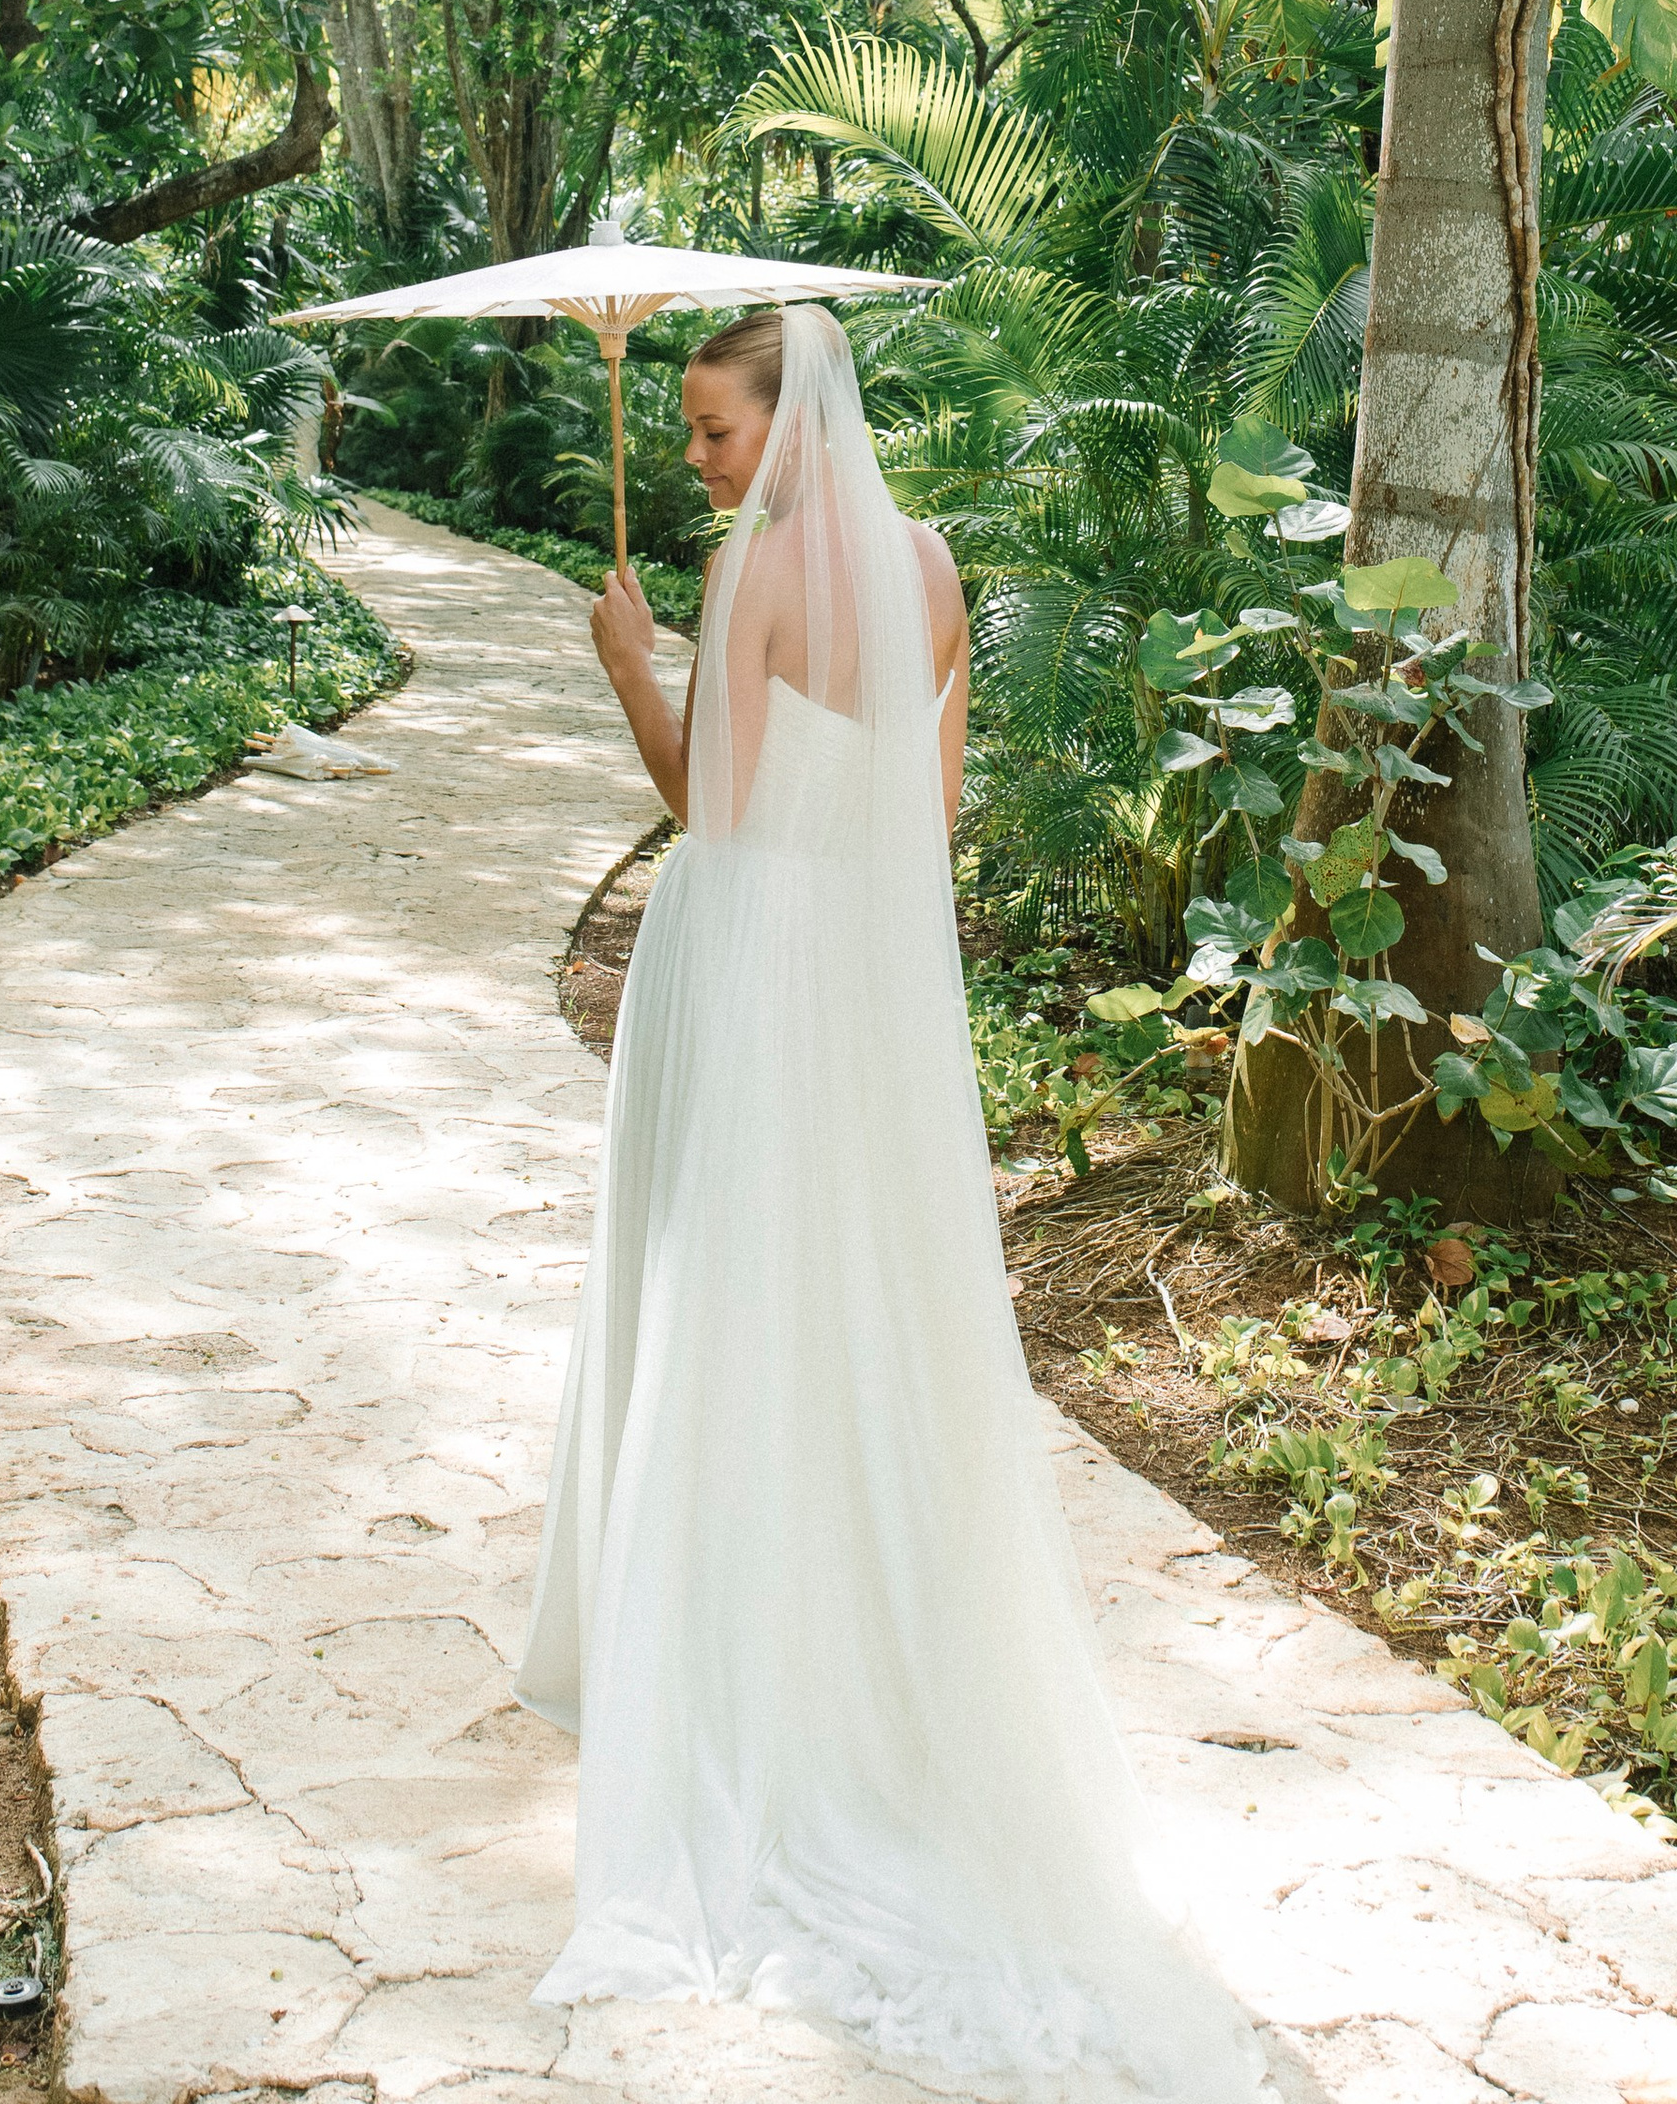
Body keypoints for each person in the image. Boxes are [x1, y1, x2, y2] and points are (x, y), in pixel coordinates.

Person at [517, 303, 1265, 2101]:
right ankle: (863, 1663)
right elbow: (924, 819)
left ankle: (729, 1674)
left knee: (722, 1290)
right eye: (690, 436)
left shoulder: (748, 566)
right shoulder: (928, 563)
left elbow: (714, 814)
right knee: (843, 1300)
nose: (697, 459)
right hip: (870, 983)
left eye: (711, 429)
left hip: (749, 957)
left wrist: (632, 659)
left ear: (783, 423)